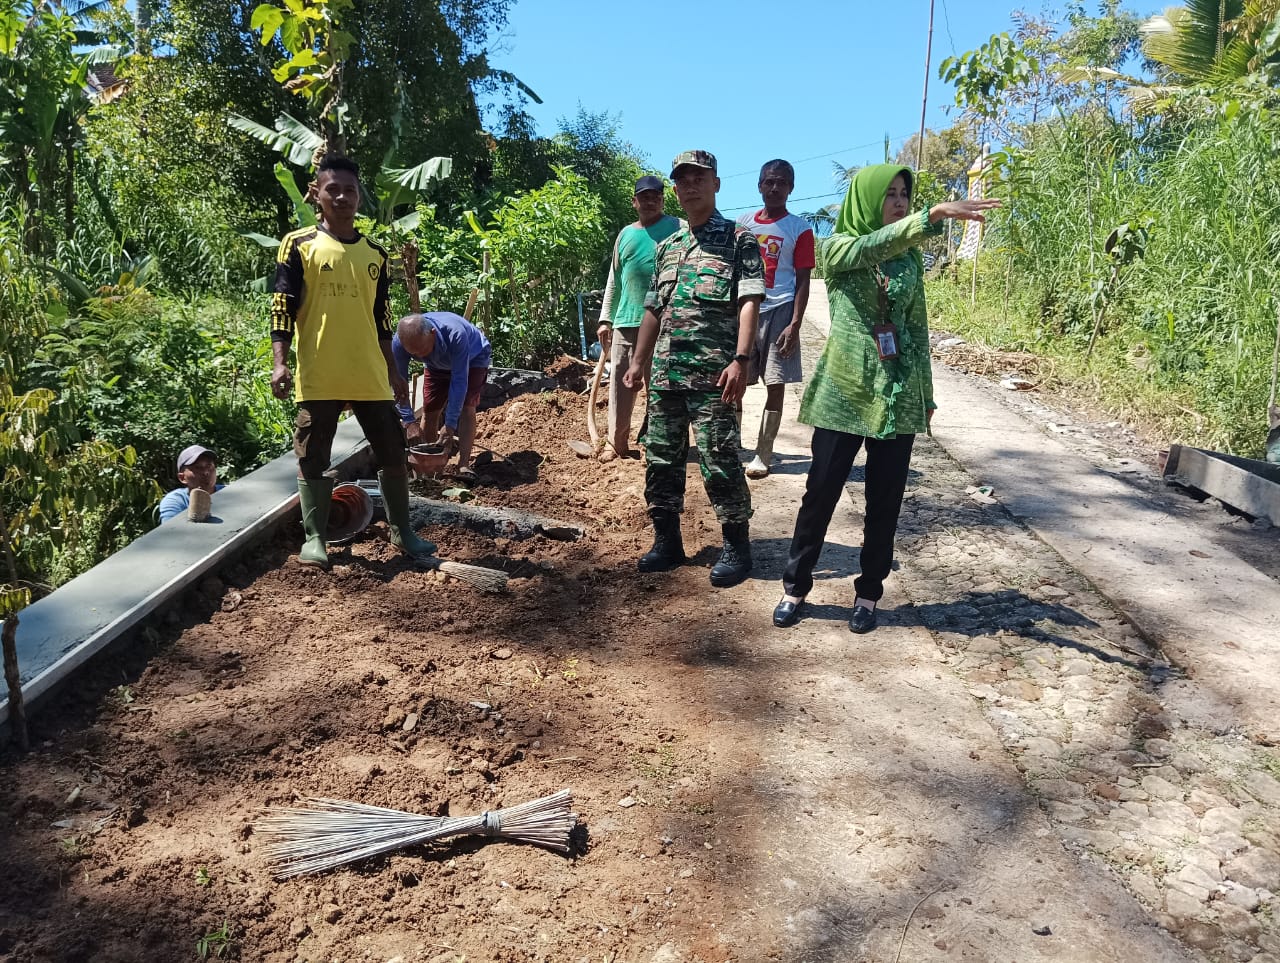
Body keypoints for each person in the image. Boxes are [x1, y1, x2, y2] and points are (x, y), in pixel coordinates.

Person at [772, 164, 999, 633]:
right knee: (820, 495)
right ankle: (795, 585)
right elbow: (869, 246)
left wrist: (926, 392)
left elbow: (916, 329)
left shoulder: (910, 259)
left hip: (895, 397)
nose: (898, 201)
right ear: (866, 199)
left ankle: (868, 593)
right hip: (845, 394)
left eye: (904, 194)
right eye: (889, 194)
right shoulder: (837, 248)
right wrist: (930, 217)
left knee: (886, 501)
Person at [269, 153, 437, 569]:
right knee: (313, 457)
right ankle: (315, 538)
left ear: (359, 197)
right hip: (320, 374)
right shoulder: (299, 245)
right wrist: (280, 361)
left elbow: (381, 321)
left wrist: (394, 370)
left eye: (350, 190)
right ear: (318, 195)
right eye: (333, 190)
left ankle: (403, 532)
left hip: (369, 375)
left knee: (394, 453)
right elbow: (282, 307)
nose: (342, 197)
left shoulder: (375, 255)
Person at [623, 150, 765, 587]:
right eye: (682, 180)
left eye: (699, 178)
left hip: (714, 378)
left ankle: (737, 548)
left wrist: (741, 360)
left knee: (720, 461)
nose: (690, 186)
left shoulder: (739, 240)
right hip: (666, 377)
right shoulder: (668, 248)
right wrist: (637, 361)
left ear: (716, 184)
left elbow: (749, 302)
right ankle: (667, 543)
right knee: (661, 460)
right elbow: (652, 309)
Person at [737, 159, 815, 478]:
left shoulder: (800, 229)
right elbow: (733, 270)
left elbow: (803, 280)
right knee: (737, 378)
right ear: (759, 185)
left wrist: (795, 324)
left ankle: (764, 453)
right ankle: (733, 446)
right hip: (747, 308)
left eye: (781, 182)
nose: (774, 187)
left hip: (781, 310)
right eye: (769, 181)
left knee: (776, 383)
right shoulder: (743, 224)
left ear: (791, 188)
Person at [596, 175, 681, 462]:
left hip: (664, 322)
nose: (650, 200)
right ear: (634, 202)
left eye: (656, 195)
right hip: (626, 320)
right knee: (622, 384)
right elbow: (614, 278)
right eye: (644, 196)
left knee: (658, 387)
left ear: (662, 199)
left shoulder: (678, 228)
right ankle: (615, 443)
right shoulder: (625, 235)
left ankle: (653, 444)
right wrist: (605, 318)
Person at [392, 312, 492, 481]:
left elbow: (459, 381)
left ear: (433, 333)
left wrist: (450, 424)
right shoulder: (399, 343)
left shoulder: (455, 335)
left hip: (473, 358)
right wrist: (408, 422)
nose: (420, 355)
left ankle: (463, 465)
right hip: (436, 364)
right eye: (414, 354)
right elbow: (398, 384)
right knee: (430, 410)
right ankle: (429, 468)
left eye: (422, 349)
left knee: (467, 406)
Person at [158, 445, 225, 522]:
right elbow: (171, 531)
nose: (205, 472)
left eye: (209, 466)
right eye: (197, 468)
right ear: (182, 478)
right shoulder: (176, 501)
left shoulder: (228, 493)